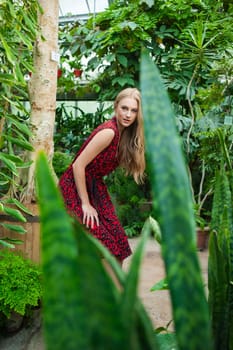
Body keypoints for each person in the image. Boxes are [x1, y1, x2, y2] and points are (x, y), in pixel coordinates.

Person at [59, 87, 145, 265]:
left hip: (95, 187)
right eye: (124, 108)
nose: (128, 114)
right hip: (75, 186)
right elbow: (78, 165)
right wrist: (85, 203)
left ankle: (116, 291)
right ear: (116, 107)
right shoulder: (109, 132)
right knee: (105, 242)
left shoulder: (125, 135)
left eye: (133, 110)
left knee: (119, 242)